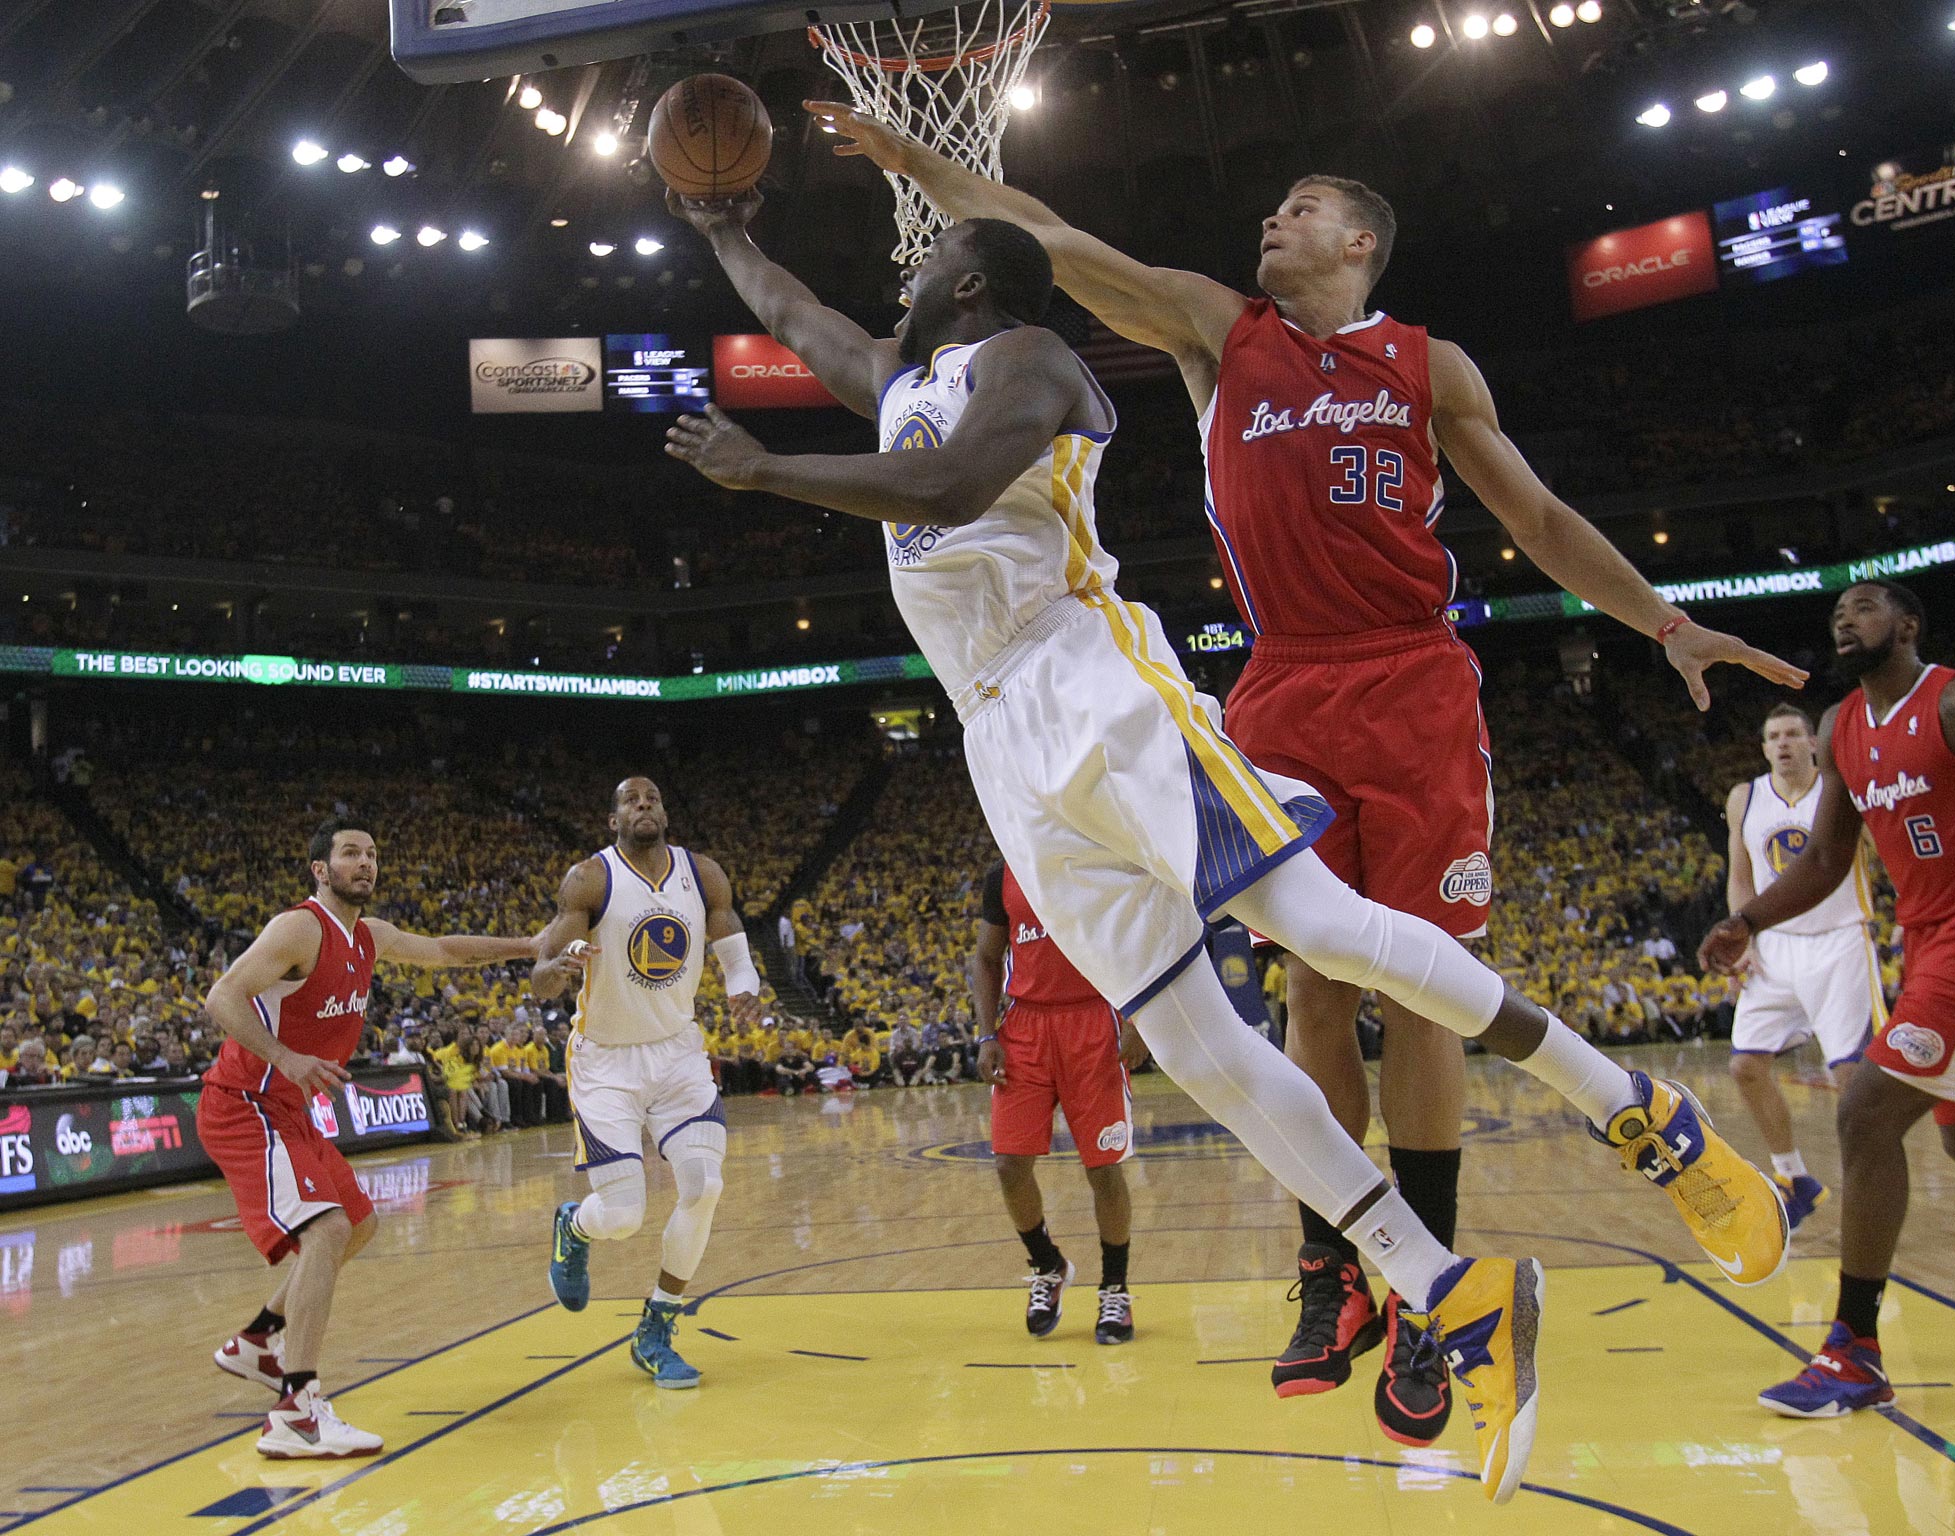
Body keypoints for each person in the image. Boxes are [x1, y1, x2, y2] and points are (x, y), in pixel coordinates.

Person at [664, 192, 1786, 1505]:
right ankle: (1446, 1290)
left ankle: (1634, 1104)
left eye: (930, 258)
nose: (902, 274)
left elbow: (947, 485)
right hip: (998, 742)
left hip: (1097, 687)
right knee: (1195, 1049)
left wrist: (764, 469)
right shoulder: (905, 376)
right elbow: (799, 318)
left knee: (1314, 927)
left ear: (973, 283)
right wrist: (724, 225)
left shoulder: (1038, 362)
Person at [1701, 580, 1955, 1418]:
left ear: (1907, 624)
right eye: (1835, 615)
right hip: (1930, 945)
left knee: (1864, 1112)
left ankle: (1854, 1352)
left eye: (1862, 608)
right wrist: (1746, 919)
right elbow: (1824, 861)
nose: (1844, 621)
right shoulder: (1840, 729)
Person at [200, 817, 537, 1459]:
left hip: (290, 1111)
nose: (366, 862)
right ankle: (295, 1414)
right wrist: (288, 1057)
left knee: (356, 1226)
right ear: (321, 870)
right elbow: (223, 997)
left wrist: (528, 943)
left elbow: (443, 950)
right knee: (324, 1231)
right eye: (350, 852)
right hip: (246, 1103)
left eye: (373, 854)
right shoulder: (300, 928)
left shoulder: (370, 936)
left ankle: (258, 1342)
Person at [530, 777, 765, 1391]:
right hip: (606, 1062)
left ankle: (656, 1328)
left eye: (652, 799)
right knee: (624, 1216)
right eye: (630, 801)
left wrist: (745, 984)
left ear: (664, 811)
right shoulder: (590, 880)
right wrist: (555, 971)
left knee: (703, 1182)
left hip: (678, 1053)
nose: (643, 807)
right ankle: (575, 1226)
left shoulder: (703, 873)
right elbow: (542, 975)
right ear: (614, 820)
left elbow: (732, 945)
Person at [971, 859, 1149, 1344]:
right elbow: (986, 958)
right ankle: (1047, 1265)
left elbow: (1136, 943)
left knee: (1103, 1168)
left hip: (1094, 1022)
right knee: (1009, 1164)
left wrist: (1138, 1021)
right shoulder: (1002, 876)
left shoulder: (1096, 859)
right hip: (1025, 1028)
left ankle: (1115, 1288)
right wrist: (987, 1034)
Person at [1722, 701, 1885, 1228]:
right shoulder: (1744, 799)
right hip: (1773, 945)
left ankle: (1871, 1187)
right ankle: (1795, 1180)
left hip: (1838, 942)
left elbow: (1882, 855)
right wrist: (1741, 933)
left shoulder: (1844, 791)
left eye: (1793, 734)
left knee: (1850, 1075)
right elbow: (1741, 875)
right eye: (1774, 737)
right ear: (1764, 747)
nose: (1784, 744)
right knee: (1746, 1068)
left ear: (1815, 742)